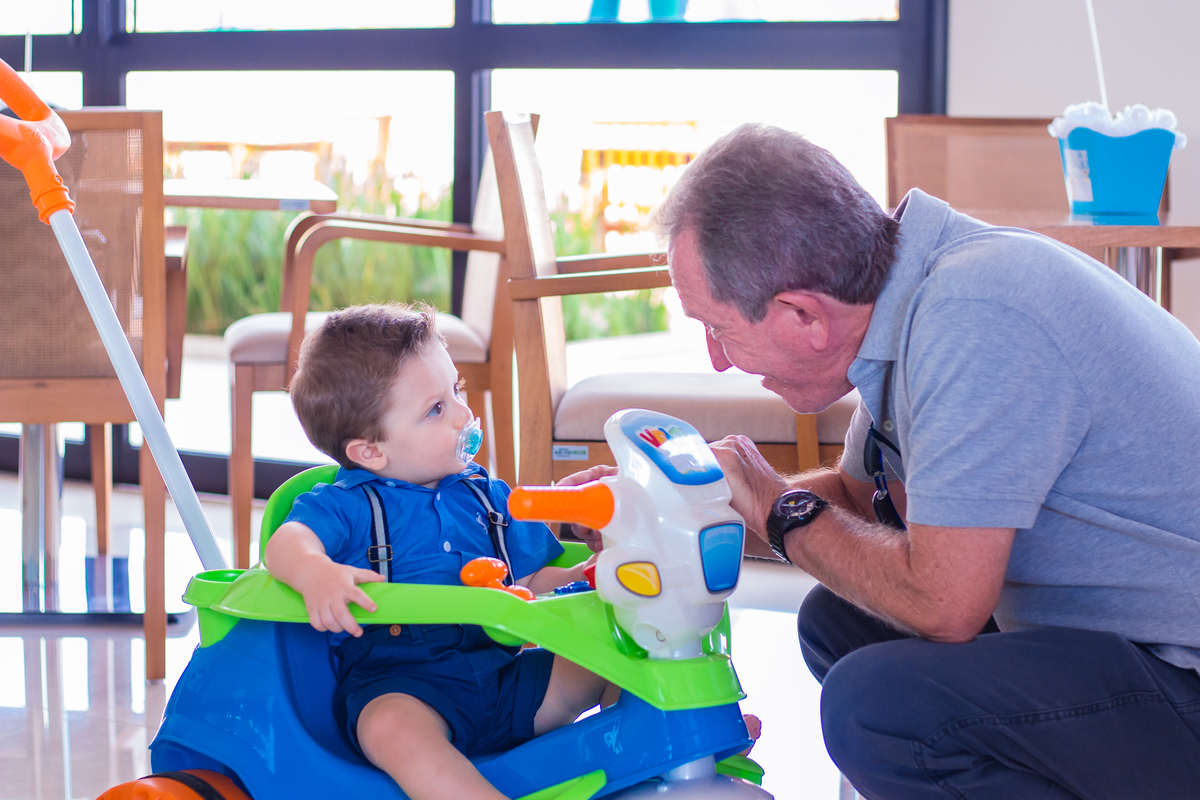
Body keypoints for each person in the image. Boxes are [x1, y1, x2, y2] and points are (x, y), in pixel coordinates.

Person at [580, 122, 1200, 798]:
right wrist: (672, 505)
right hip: (1124, 650)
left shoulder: (976, 316)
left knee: (875, 707)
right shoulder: (916, 297)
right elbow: (854, 504)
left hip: (1182, 677)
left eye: (719, 328)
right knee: (839, 620)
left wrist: (773, 501)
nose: (717, 358)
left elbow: (943, 603)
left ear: (802, 315)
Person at [265, 303, 617, 800]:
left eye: (456, 391)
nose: (463, 414)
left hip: (503, 679)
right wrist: (316, 573)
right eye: (436, 408)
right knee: (390, 729)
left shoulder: (486, 497)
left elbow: (531, 583)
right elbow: (286, 543)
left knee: (617, 647)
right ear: (370, 451)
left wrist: (588, 575)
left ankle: (660, 751)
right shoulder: (348, 505)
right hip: (405, 688)